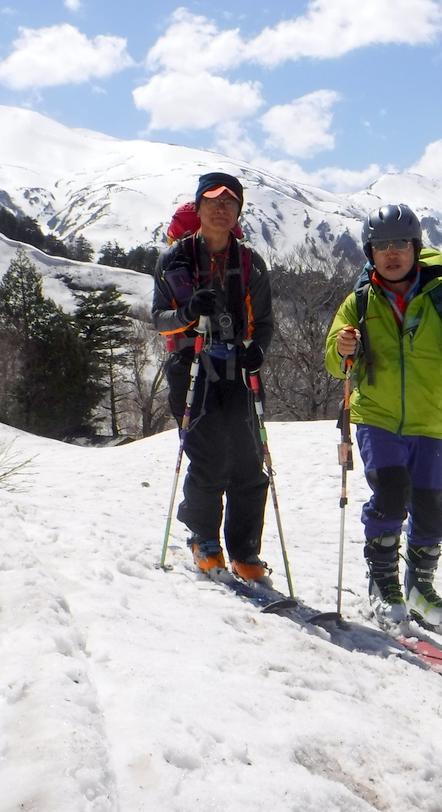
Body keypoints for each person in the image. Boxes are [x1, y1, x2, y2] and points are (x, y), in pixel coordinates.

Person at [324, 204, 442, 626]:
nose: (392, 253)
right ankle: (383, 582)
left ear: (415, 248)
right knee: (389, 495)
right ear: (371, 252)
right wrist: (342, 350)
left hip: (430, 418)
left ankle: (420, 587)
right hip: (376, 416)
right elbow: (334, 360)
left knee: (429, 506)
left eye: (401, 244)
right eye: (382, 245)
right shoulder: (359, 302)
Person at [153, 172, 275, 580]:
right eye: (212, 202)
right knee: (209, 457)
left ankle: (245, 551)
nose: (221, 209)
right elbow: (160, 320)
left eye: (229, 203)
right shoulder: (175, 259)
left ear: (238, 211)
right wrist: (188, 314)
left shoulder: (249, 261)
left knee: (247, 460)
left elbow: (265, 321)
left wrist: (258, 347)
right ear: (199, 207)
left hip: (237, 369)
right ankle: (204, 538)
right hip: (191, 368)